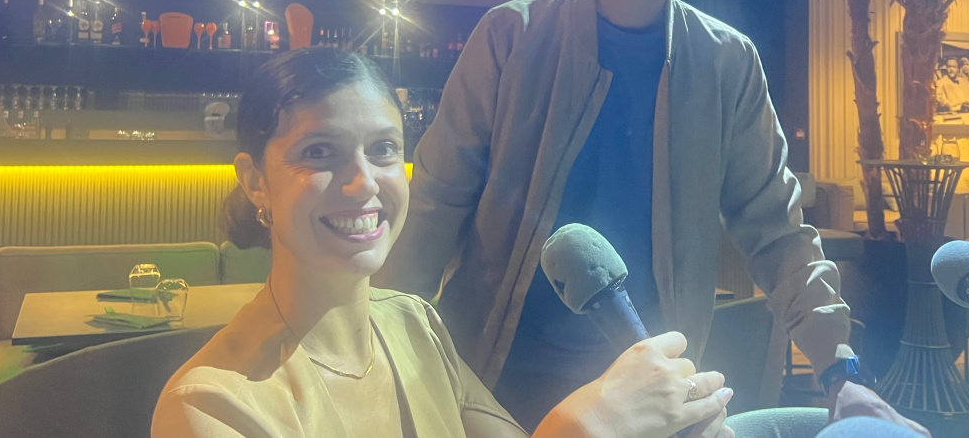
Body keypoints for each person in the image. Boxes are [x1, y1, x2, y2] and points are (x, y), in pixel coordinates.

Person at [375, 0, 928, 436]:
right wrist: (371, 347)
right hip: (489, 382)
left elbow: (777, 229)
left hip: (652, 395)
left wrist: (839, 369)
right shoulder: (511, 37)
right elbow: (434, 205)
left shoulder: (727, 61)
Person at [152, 48, 735, 438]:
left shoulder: (416, 326)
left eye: (383, 149)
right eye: (319, 152)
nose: (363, 183)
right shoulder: (209, 407)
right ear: (255, 180)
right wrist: (588, 426)